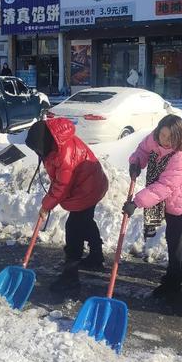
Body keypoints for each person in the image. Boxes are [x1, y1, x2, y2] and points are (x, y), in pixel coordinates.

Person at [123, 114, 182, 298]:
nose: (165, 141)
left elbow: (163, 187)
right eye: (162, 135)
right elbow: (143, 149)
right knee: (177, 233)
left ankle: (173, 282)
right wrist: (136, 162)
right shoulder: (155, 137)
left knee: (173, 237)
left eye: (170, 138)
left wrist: (136, 202)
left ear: (179, 137)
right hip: (170, 196)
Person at [25, 118, 108, 291]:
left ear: (43, 142)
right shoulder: (55, 144)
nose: (37, 152)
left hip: (87, 190)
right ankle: (96, 257)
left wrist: (46, 206)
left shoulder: (64, 152)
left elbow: (62, 185)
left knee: (74, 230)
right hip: (90, 184)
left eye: (36, 148)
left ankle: (70, 277)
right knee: (85, 222)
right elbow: (58, 180)